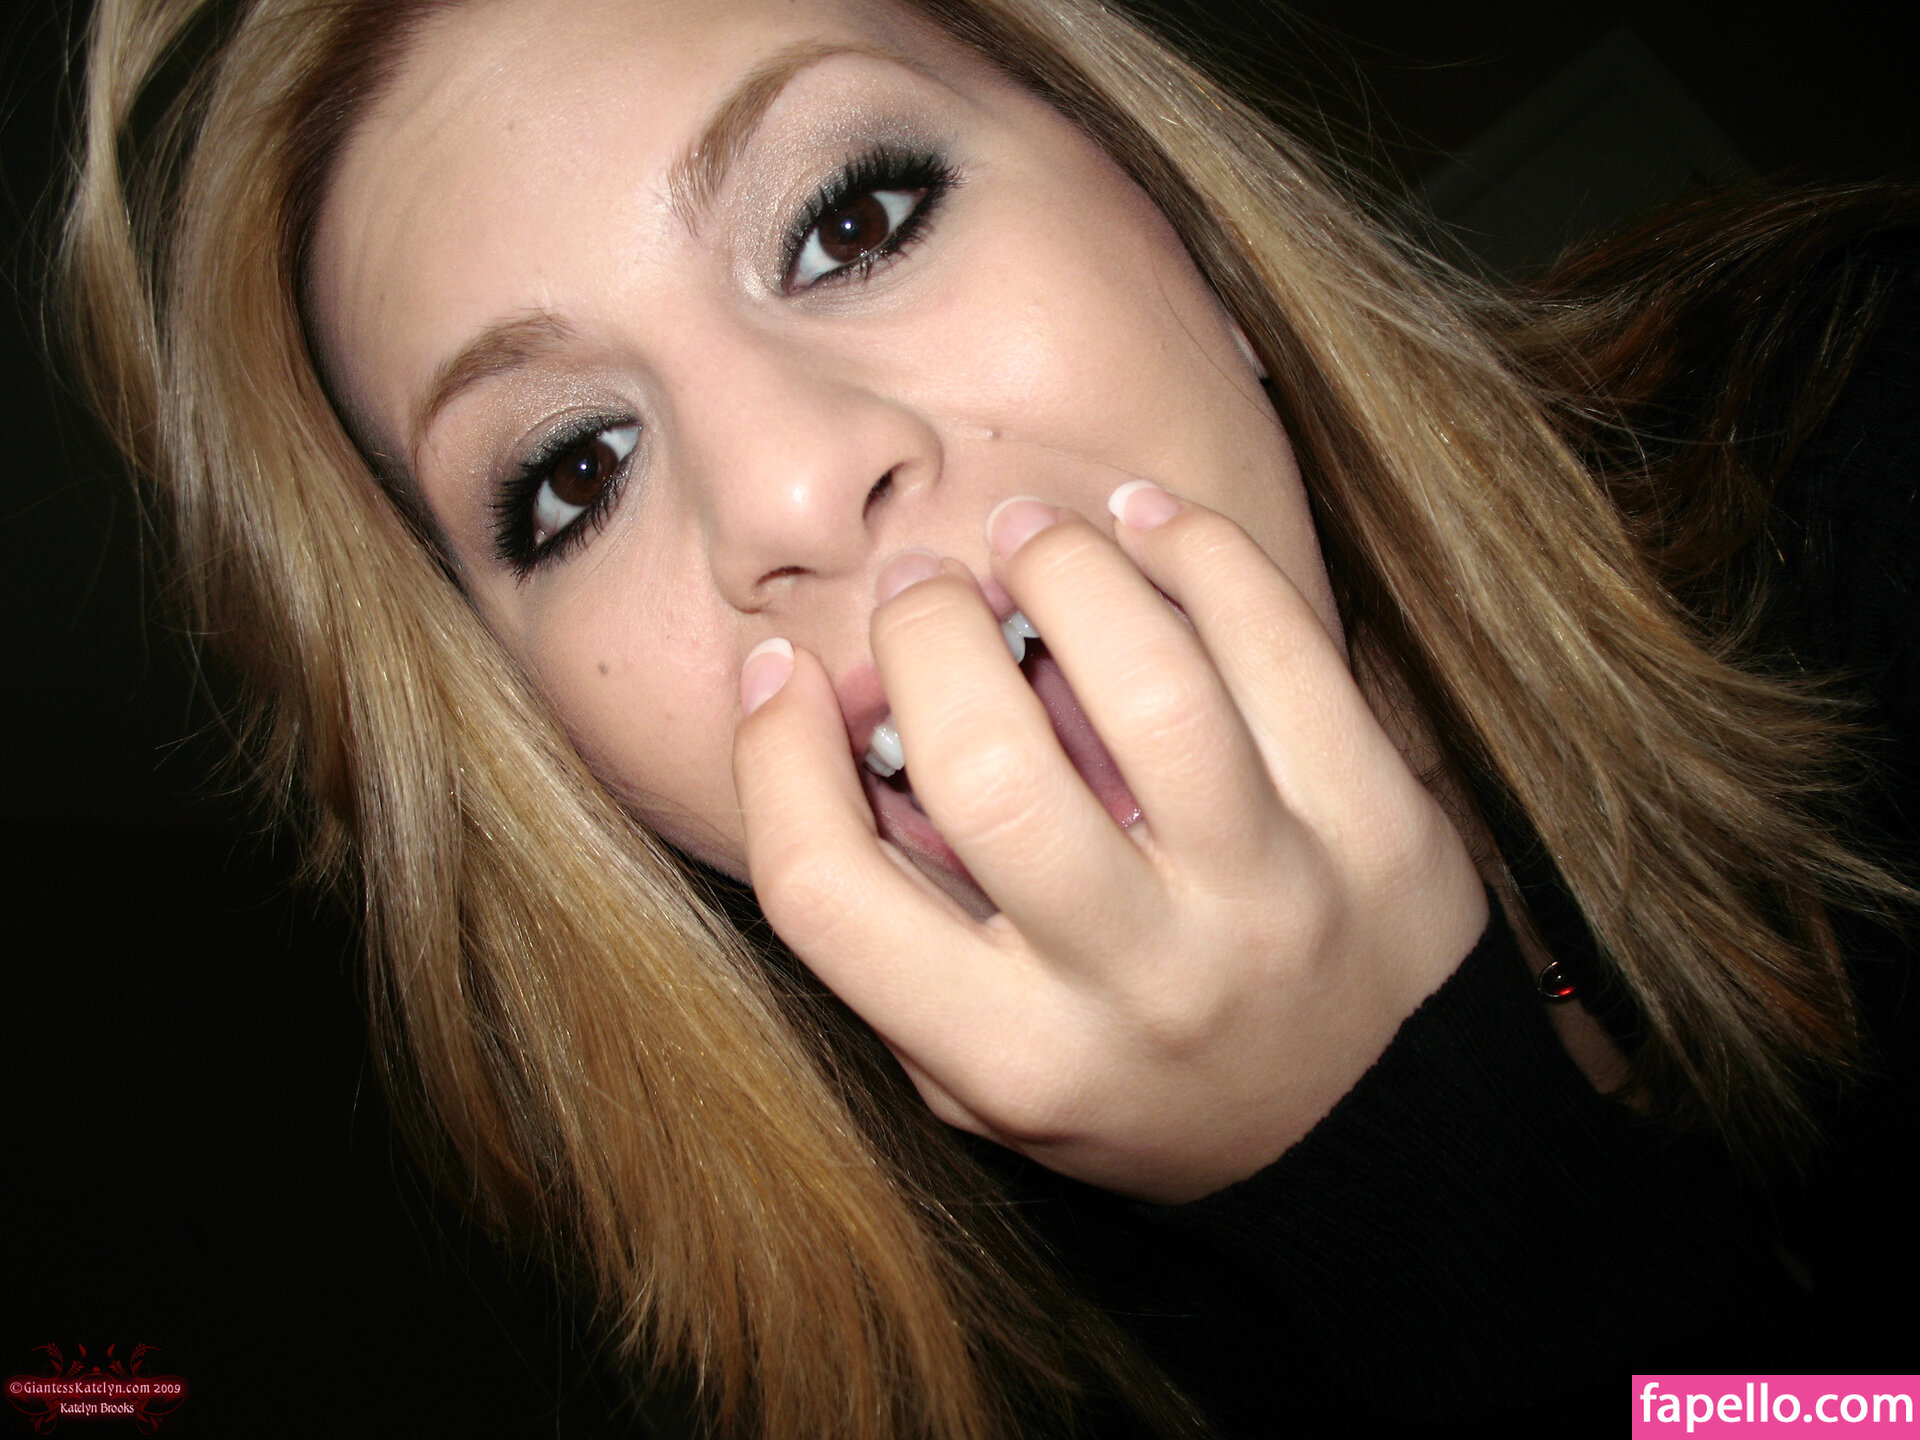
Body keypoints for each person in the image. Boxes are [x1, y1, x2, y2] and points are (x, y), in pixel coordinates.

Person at [59, 0, 1918, 1433]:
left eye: (852, 218)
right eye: (571, 475)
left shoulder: (1865, 429)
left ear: (1179, 220)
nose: (790, 490)